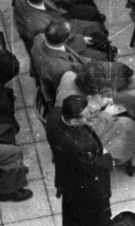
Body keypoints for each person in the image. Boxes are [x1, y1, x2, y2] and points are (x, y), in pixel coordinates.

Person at [47, 94, 115, 226]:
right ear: (74, 122)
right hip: (86, 190)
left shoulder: (54, 116)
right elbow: (98, 166)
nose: (89, 115)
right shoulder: (79, 146)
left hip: (67, 177)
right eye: (86, 114)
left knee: (71, 215)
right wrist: (107, 156)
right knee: (95, 219)